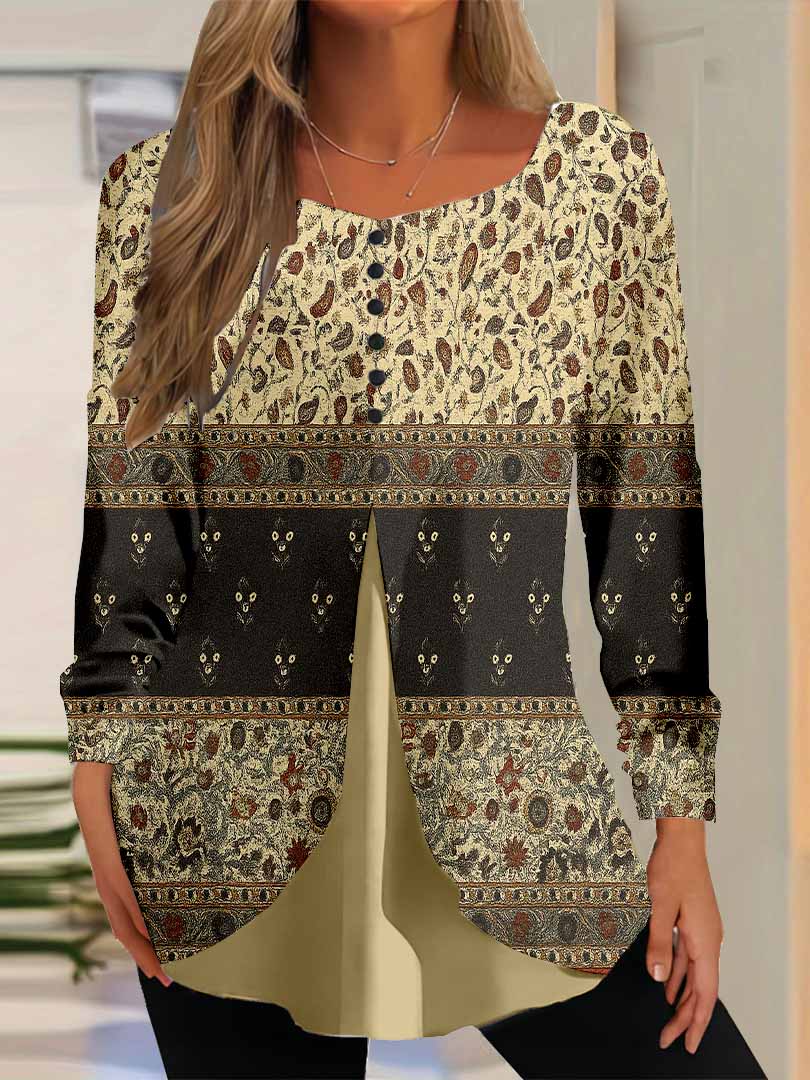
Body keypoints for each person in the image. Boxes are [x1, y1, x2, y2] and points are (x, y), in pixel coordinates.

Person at [61, 1, 766, 1077]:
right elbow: (134, 502)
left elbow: (647, 506)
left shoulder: (599, 183)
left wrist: (680, 824)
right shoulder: (166, 194)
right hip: (215, 813)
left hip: (516, 807)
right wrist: (97, 754)